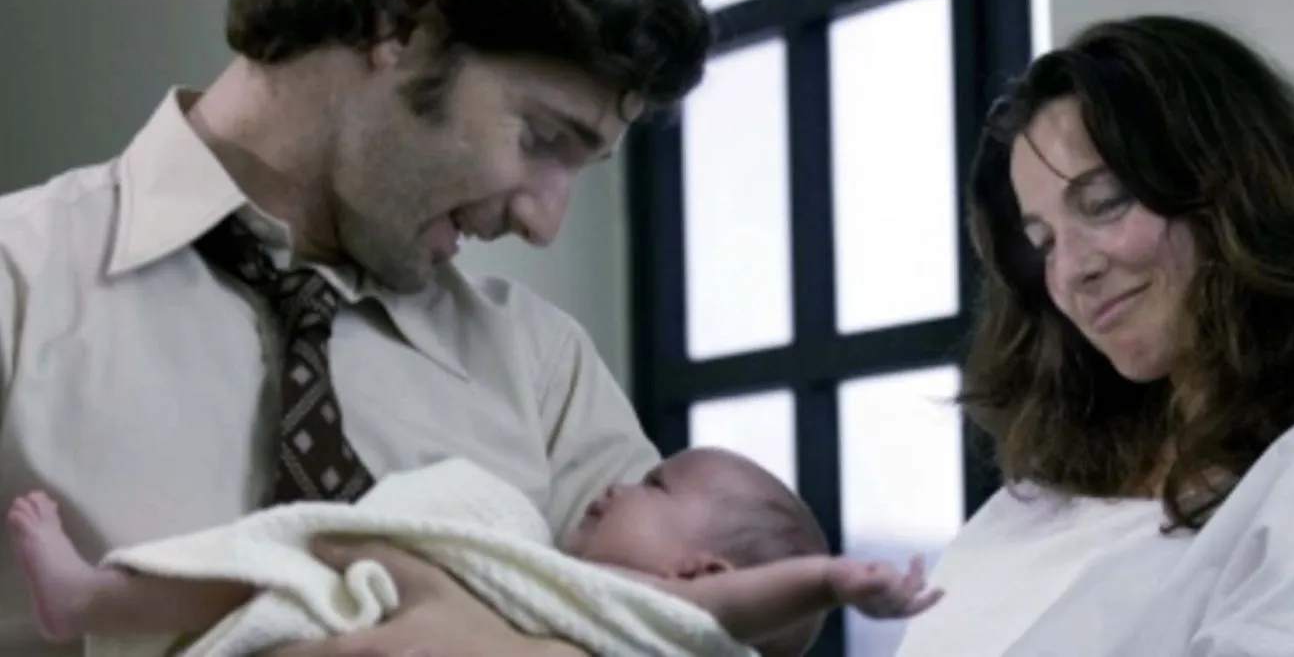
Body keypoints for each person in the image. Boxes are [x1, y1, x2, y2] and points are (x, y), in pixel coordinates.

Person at [0, 0, 722, 656]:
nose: (545, 224)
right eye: (543, 138)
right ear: (403, 15)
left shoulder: (546, 373)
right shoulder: (16, 281)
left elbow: (693, 627)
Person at [896, 15, 1294, 656]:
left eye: (1104, 203)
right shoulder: (1036, 502)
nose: (1074, 270)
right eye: (1042, 243)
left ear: (1229, 188)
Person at [7, 447, 940, 651]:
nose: (617, 481)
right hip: (354, 600)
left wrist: (828, 580)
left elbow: (742, 609)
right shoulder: (572, 575)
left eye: (656, 487)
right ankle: (89, 600)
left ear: (700, 573)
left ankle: (93, 600)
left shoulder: (667, 621)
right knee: (270, 567)